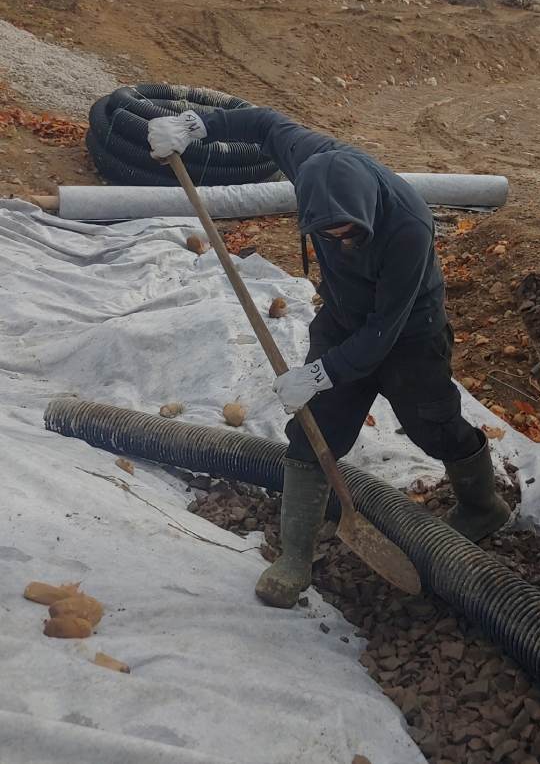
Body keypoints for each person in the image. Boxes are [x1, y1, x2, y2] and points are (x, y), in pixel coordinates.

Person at [147, 105, 510, 608]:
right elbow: (265, 126)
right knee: (314, 429)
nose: (339, 242)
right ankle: (295, 555)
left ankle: (483, 505)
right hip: (342, 318)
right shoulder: (314, 162)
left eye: (349, 233)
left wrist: (321, 372)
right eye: (329, 232)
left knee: (434, 425)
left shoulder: (408, 226)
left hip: (409, 332)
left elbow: (384, 332)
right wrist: (195, 126)